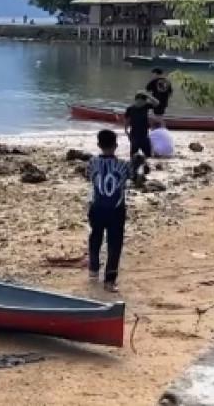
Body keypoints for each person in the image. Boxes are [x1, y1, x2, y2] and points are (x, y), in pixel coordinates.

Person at [87, 129, 134, 292]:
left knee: (95, 237)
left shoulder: (92, 163)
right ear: (116, 145)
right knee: (115, 244)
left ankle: (93, 269)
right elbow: (135, 176)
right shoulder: (123, 165)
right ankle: (109, 280)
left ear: (99, 145)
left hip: (97, 207)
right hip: (116, 210)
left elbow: (89, 177)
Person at [124, 91, 159, 159]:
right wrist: (126, 131)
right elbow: (127, 121)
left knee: (149, 156)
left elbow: (157, 103)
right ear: (136, 100)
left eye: (143, 101)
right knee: (133, 157)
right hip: (134, 136)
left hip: (144, 136)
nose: (140, 103)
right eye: (138, 101)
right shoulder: (130, 109)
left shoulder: (146, 106)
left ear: (144, 101)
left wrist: (148, 96)